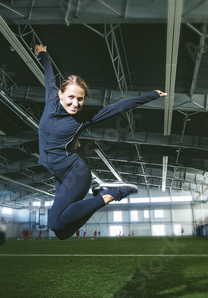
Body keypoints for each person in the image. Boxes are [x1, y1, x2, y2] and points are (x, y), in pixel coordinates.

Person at [35, 44, 167, 240]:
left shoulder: (83, 118)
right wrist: (43, 53)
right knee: (62, 232)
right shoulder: (51, 99)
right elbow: (49, 75)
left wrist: (151, 96)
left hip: (75, 172)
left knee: (55, 223)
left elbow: (118, 107)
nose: (75, 103)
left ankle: (111, 194)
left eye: (80, 99)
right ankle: (102, 196)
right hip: (60, 176)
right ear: (60, 94)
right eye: (71, 97)